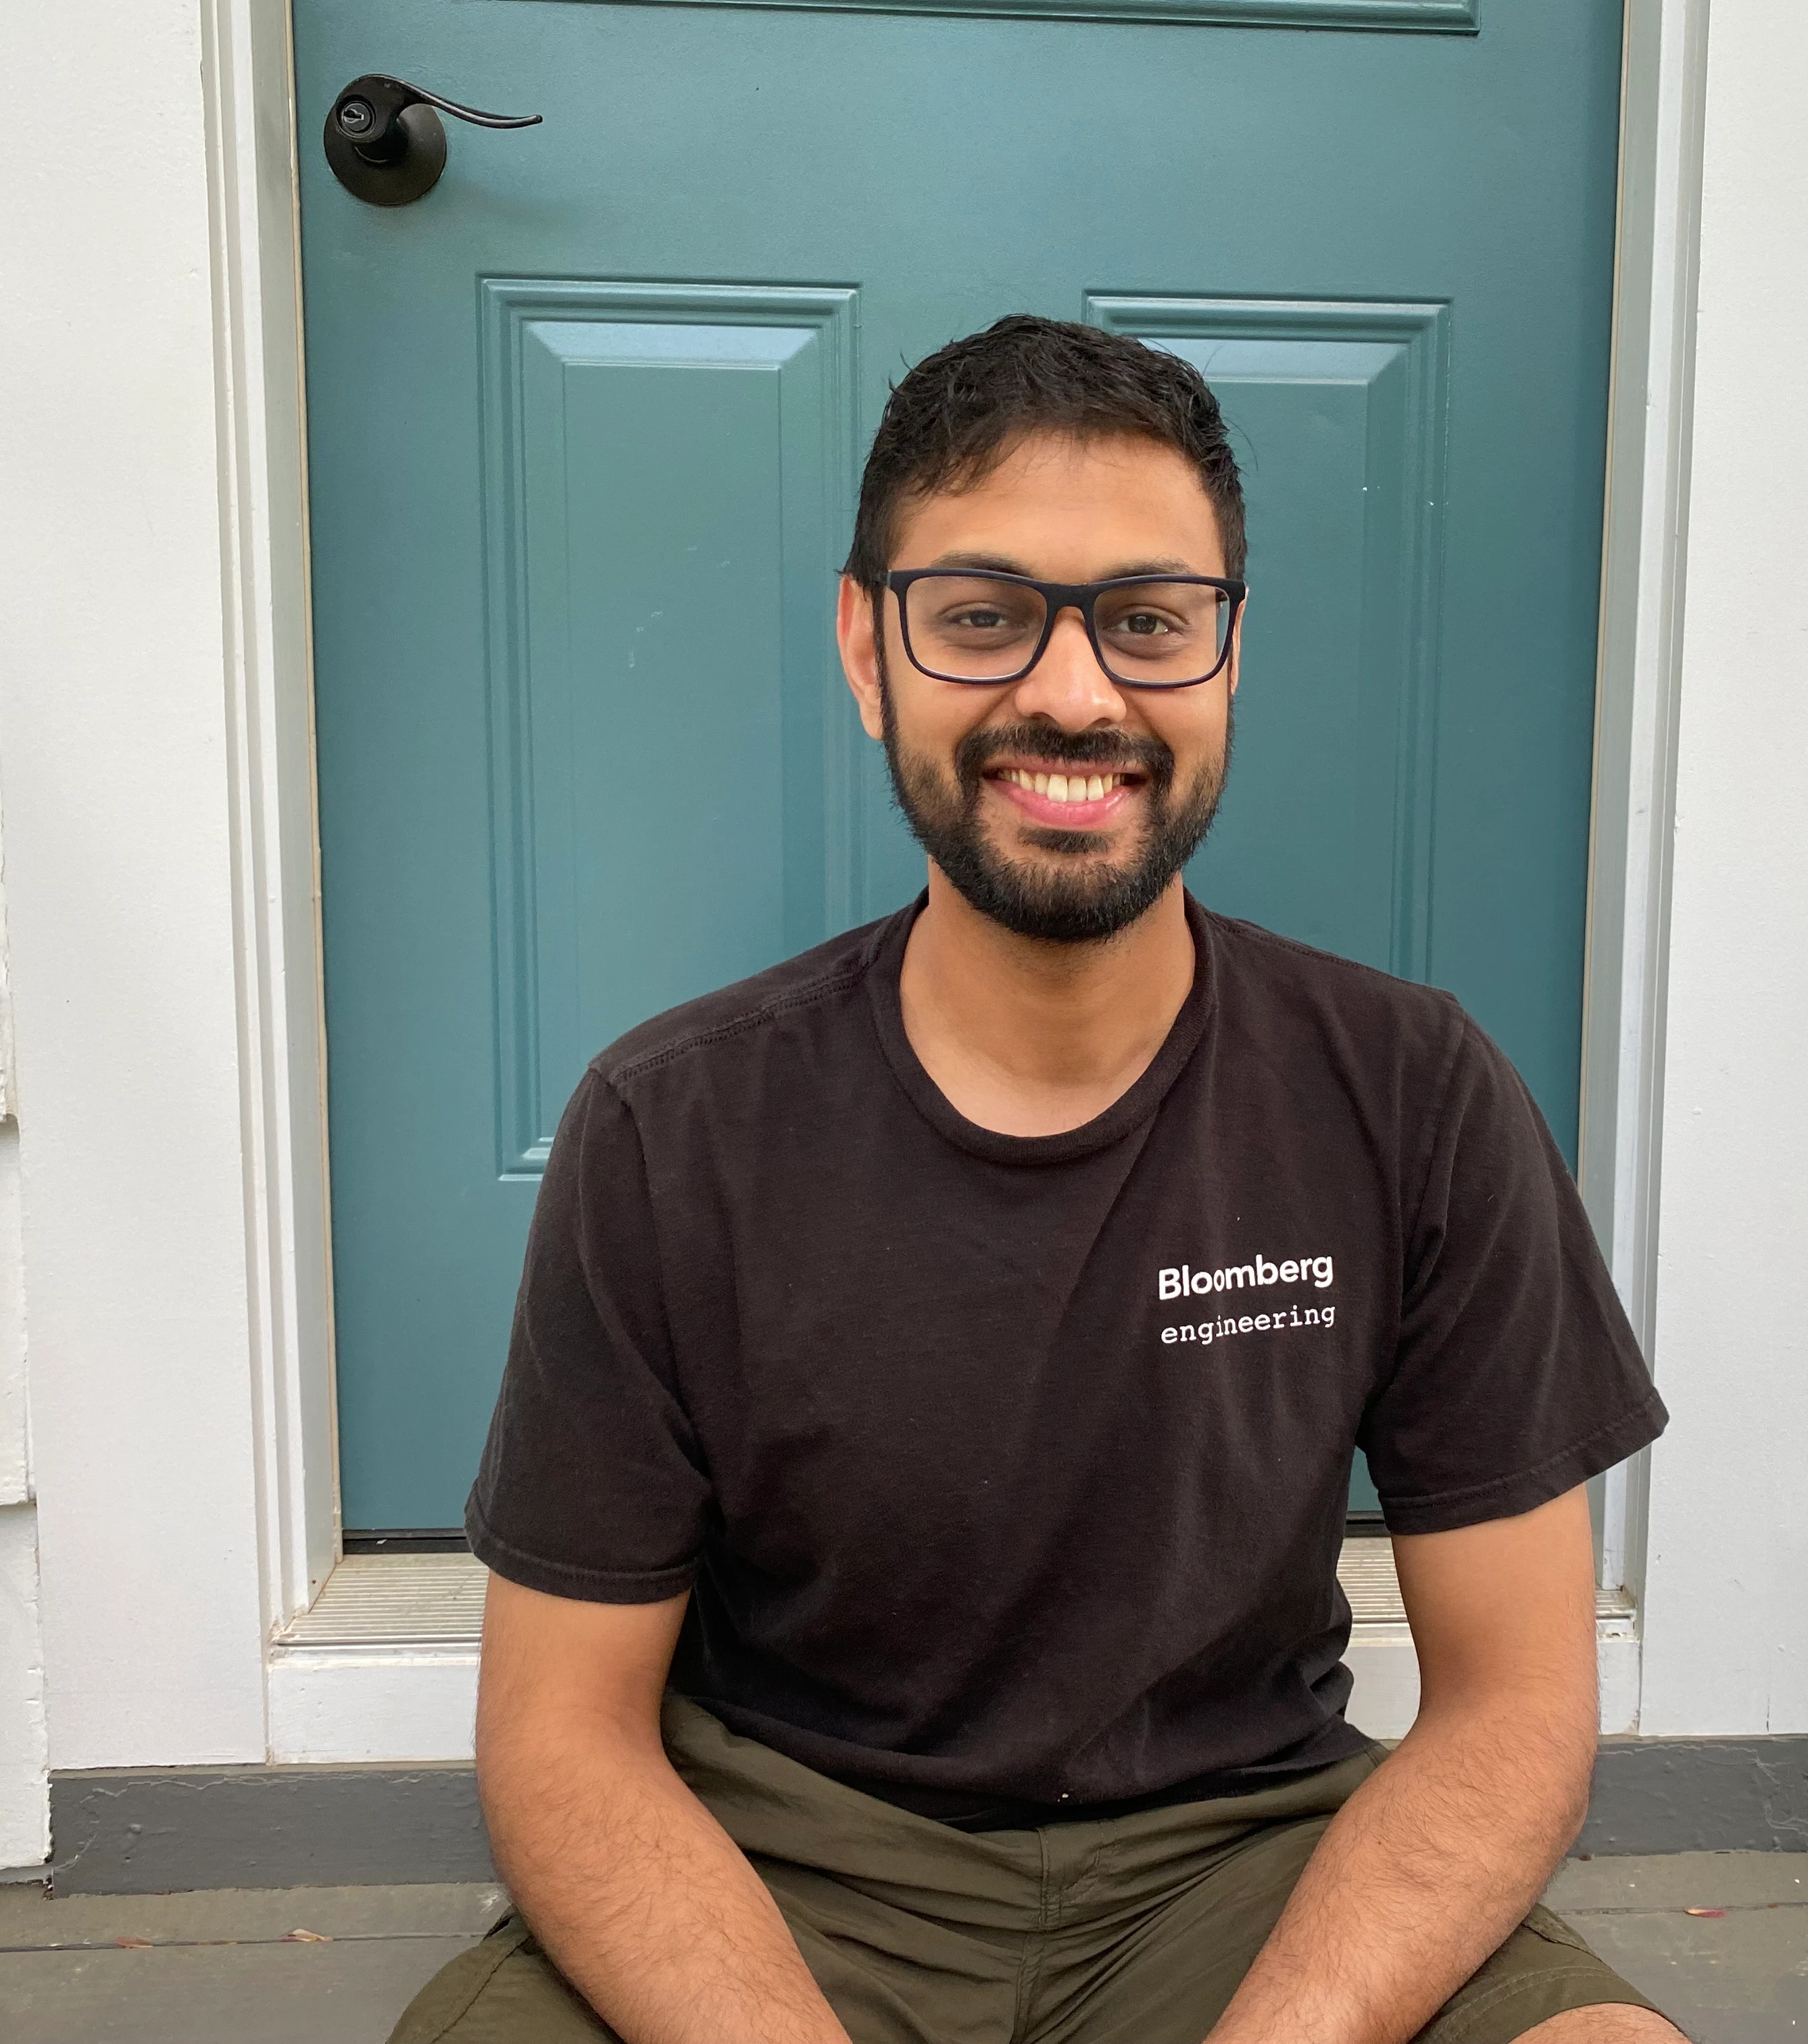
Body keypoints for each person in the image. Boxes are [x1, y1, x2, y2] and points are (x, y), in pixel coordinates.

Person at [390, 316, 1683, 2044]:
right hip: (785, 1870)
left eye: (1149, 622)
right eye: (985, 616)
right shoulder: (671, 1126)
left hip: (1248, 1864)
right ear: (869, 649)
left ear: (1230, 660)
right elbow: (563, 1737)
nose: (1074, 695)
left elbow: (1518, 1702)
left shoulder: (1410, 1093)